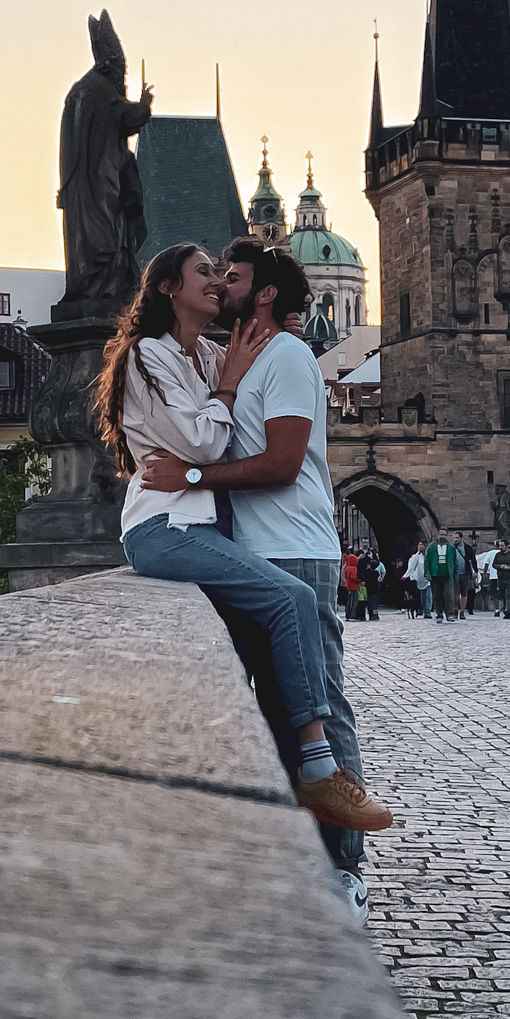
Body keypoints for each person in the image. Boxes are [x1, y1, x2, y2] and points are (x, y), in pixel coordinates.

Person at [101, 242, 392, 852]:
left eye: (227, 275)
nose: (216, 282)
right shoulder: (152, 357)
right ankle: (312, 786)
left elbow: (248, 432)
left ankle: (336, 863)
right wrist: (231, 387)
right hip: (170, 526)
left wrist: (279, 333)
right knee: (277, 670)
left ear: (261, 295)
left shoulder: (220, 353)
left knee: (305, 692)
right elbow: (206, 443)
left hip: (238, 534)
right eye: (206, 273)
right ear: (165, 289)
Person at [424, 531, 460, 623]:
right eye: (441, 534)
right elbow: (427, 560)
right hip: (435, 575)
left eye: (444, 535)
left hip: (448, 575)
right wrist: (427, 573)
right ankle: (439, 614)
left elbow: (455, 562)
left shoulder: (451, 548)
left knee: (449, 595)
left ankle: (450, 614)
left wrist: (455, 575)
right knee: (437, 595)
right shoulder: (431, 547)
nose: (442, 536)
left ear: (447, 536)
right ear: (438, 535)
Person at [492, 539, 510, 618]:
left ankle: (508, 611)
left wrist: (509, 568)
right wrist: (500, 566)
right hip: (501, 577)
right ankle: (505, 609)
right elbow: (494, 565)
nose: (500, 547)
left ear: (506, 546)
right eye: (499, 545)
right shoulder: (497, 555)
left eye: (502, 545)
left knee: (508, 594)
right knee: (502, 594)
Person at [405, 538, 429, 618]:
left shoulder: (428, 556)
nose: (421, 547)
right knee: (419, 596)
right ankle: (420, 609)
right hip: (417, 579)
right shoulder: (414, 557)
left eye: (422, 545)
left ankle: (427, 611)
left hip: (427, 578)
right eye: (419, 545)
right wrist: (406, 575)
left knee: (428, 595)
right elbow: (411, 567)